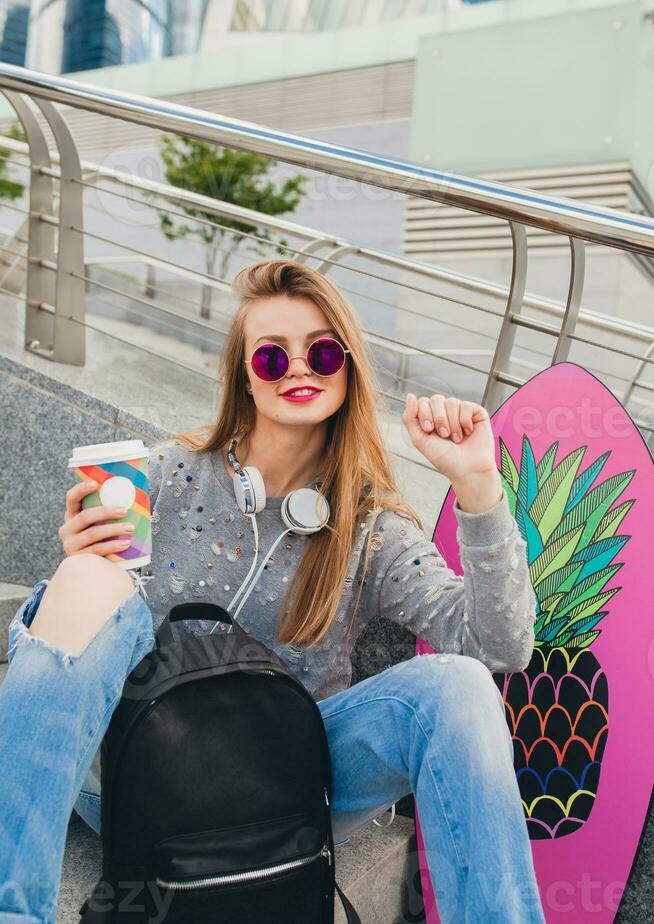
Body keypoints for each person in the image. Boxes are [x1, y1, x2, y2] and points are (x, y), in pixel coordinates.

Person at [0, 259, 545, 923]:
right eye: (270, 357)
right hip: (139, 771)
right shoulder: (162, 477)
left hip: (283, 785)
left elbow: (499, 645)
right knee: (84, 579)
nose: (299, 369)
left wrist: (478, 484)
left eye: (320, 351)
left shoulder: (371, 527)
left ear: (347, 370)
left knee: (458, 686)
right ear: (243, 377)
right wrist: (78, 572)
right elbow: (66, 662)